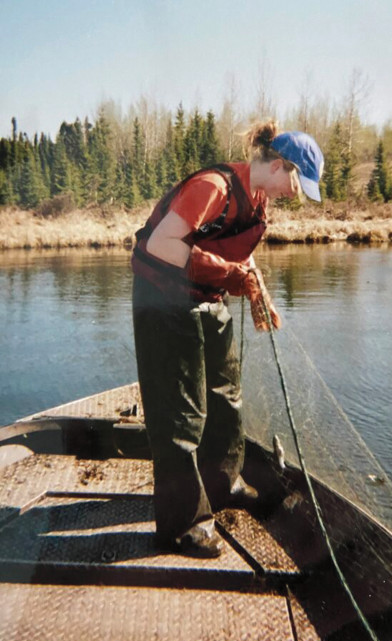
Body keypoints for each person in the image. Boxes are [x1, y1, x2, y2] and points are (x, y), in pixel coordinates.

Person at [132, 121, 323, 557]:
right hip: (161, 299)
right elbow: (161, 244)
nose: (297, 193)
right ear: (278, 165)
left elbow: (241, 250)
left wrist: (260, 292)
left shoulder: (258, 197)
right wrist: (228, 275)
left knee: (226, 394)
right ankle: (182, 527)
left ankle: (224, 483)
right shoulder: (212, 187)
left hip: (205, 294)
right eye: (297, 181)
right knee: (181, 412)